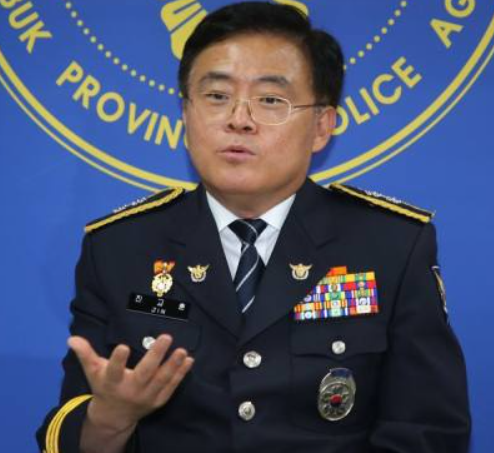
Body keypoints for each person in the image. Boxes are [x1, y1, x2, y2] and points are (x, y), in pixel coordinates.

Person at [36, 2, 470, 452]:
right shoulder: (119, 248)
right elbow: (71, 430)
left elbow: (428, 433)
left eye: (270, 100)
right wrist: (109, 421)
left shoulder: (390, 246)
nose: (238, 119)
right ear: (185, 114)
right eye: (216, 96)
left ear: (322, 127)